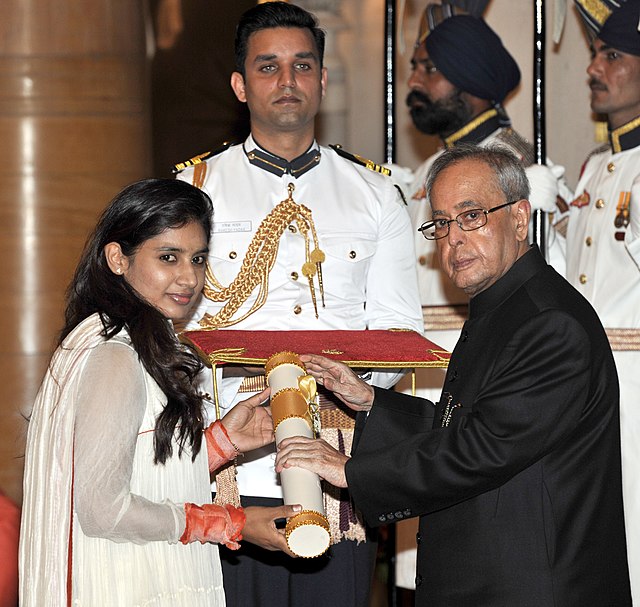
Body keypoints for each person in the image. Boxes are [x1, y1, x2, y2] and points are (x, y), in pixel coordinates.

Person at [275, 145, 632, 605]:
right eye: (442, 223)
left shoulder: (548, 321)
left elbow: (480, 450)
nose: (453, 238)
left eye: (472, 216)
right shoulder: (506, 305)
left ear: (520, 219)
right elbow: (472, 427)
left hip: (533, 587)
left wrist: (350, 471)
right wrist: (373, 402)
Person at [174, 2, 423, 605]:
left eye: (302, 65)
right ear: (240, 84)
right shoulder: (195, 189)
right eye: (268, 66)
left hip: (335, 460)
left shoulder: (374, 193)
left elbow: (398, 331)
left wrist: (337, 392)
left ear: (322, 79)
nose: (287, 81)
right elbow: (168, 326)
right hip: (230, 455)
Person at [19, 179, 298, 607]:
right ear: (117, 258)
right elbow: (102, 510)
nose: (189, 277)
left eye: (198, 259)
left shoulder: (134, 341)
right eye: (168, 257)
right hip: (120, 584)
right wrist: (227, 523)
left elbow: (139, 470)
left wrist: (224, 443)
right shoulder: (114, 354)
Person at [392, 6, 571, 591]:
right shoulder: (429, 172)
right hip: (435, 395)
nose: (413, 81)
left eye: (428, 68)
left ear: (468, 78)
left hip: (500, 396)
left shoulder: (514, 169)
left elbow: (548, 298)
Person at [564, 0, 640, 601]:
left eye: (612, 55)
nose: (596, 66)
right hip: (587, 387)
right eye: (595, 53)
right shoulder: (596, 167)